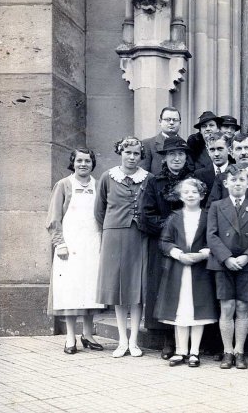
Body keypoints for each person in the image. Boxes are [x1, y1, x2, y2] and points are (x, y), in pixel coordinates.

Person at [95, 137, 152, 358]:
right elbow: (99, 211)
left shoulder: (148, 178)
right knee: (119, 289)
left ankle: (135, 340)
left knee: (136, 288)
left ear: (141, 156)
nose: (131, 157)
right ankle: (122, 340)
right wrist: (113, 227)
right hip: (115, 236)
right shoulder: (107, 177)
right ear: (120, 152)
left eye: (136, 154)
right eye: (127, 152)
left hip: (139, 236)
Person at [207, 165, 248, 370]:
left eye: (242, 180)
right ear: (226, 183)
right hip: (223, 264)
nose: (237, 184)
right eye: (233, 180)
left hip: (247, 265)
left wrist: (246, 257)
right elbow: (212, 236)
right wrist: (226, 258)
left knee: (242, 307)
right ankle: (227, 351)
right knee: (227, 307)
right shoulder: (216, 206)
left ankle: (240, 351)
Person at [46, 148, 105, 354]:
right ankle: (70, 337)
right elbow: (54, 218)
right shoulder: (64, 185)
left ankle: (88, 335)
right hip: (69, 248)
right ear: (73, 163)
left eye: (87, 161)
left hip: (92, 246)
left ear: (92, 163)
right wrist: (59, 243)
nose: (83, 164)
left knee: (90, 291)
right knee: (70, 292)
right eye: (79, 160)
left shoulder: (98, 185)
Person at [153, 178, 217, 368]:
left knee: (198, 311)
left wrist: (202, 254)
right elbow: (164, 241)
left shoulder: (207, 217)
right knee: (180, 309)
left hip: (200, 271)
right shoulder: (174, 218)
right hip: (178, 270)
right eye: (186, 192)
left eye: (194, 192)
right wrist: (178, 254)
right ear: (180, 195)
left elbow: (213, 239)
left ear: (202, 195)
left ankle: (194, 351)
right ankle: (180, 350)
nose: (190, 195)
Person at [140, 136, 193, 360]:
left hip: (189, 242)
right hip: (162, 242)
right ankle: (167, 339)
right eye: (172, 154)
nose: (176, 158)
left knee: (186, 290)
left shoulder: (193, 181)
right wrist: (171, 228)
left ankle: (189, 340)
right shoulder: (154, 182)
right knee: (163, 289)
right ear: (165, 158)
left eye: (180, 154)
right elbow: (146, 215)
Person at [140, 106, 187, 175]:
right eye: (168, 119)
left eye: (175, 120)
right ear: (160, 122)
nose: (171, 123)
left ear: (180, 123)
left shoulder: (185, 145)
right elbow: (143, 175)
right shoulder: (147, 144)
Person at [194, 132, 230, 203]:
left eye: (220, 149)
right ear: (208, 151)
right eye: (212, 150)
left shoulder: (237, 172)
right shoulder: (200, 175)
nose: (216, 154)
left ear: (229, 150)